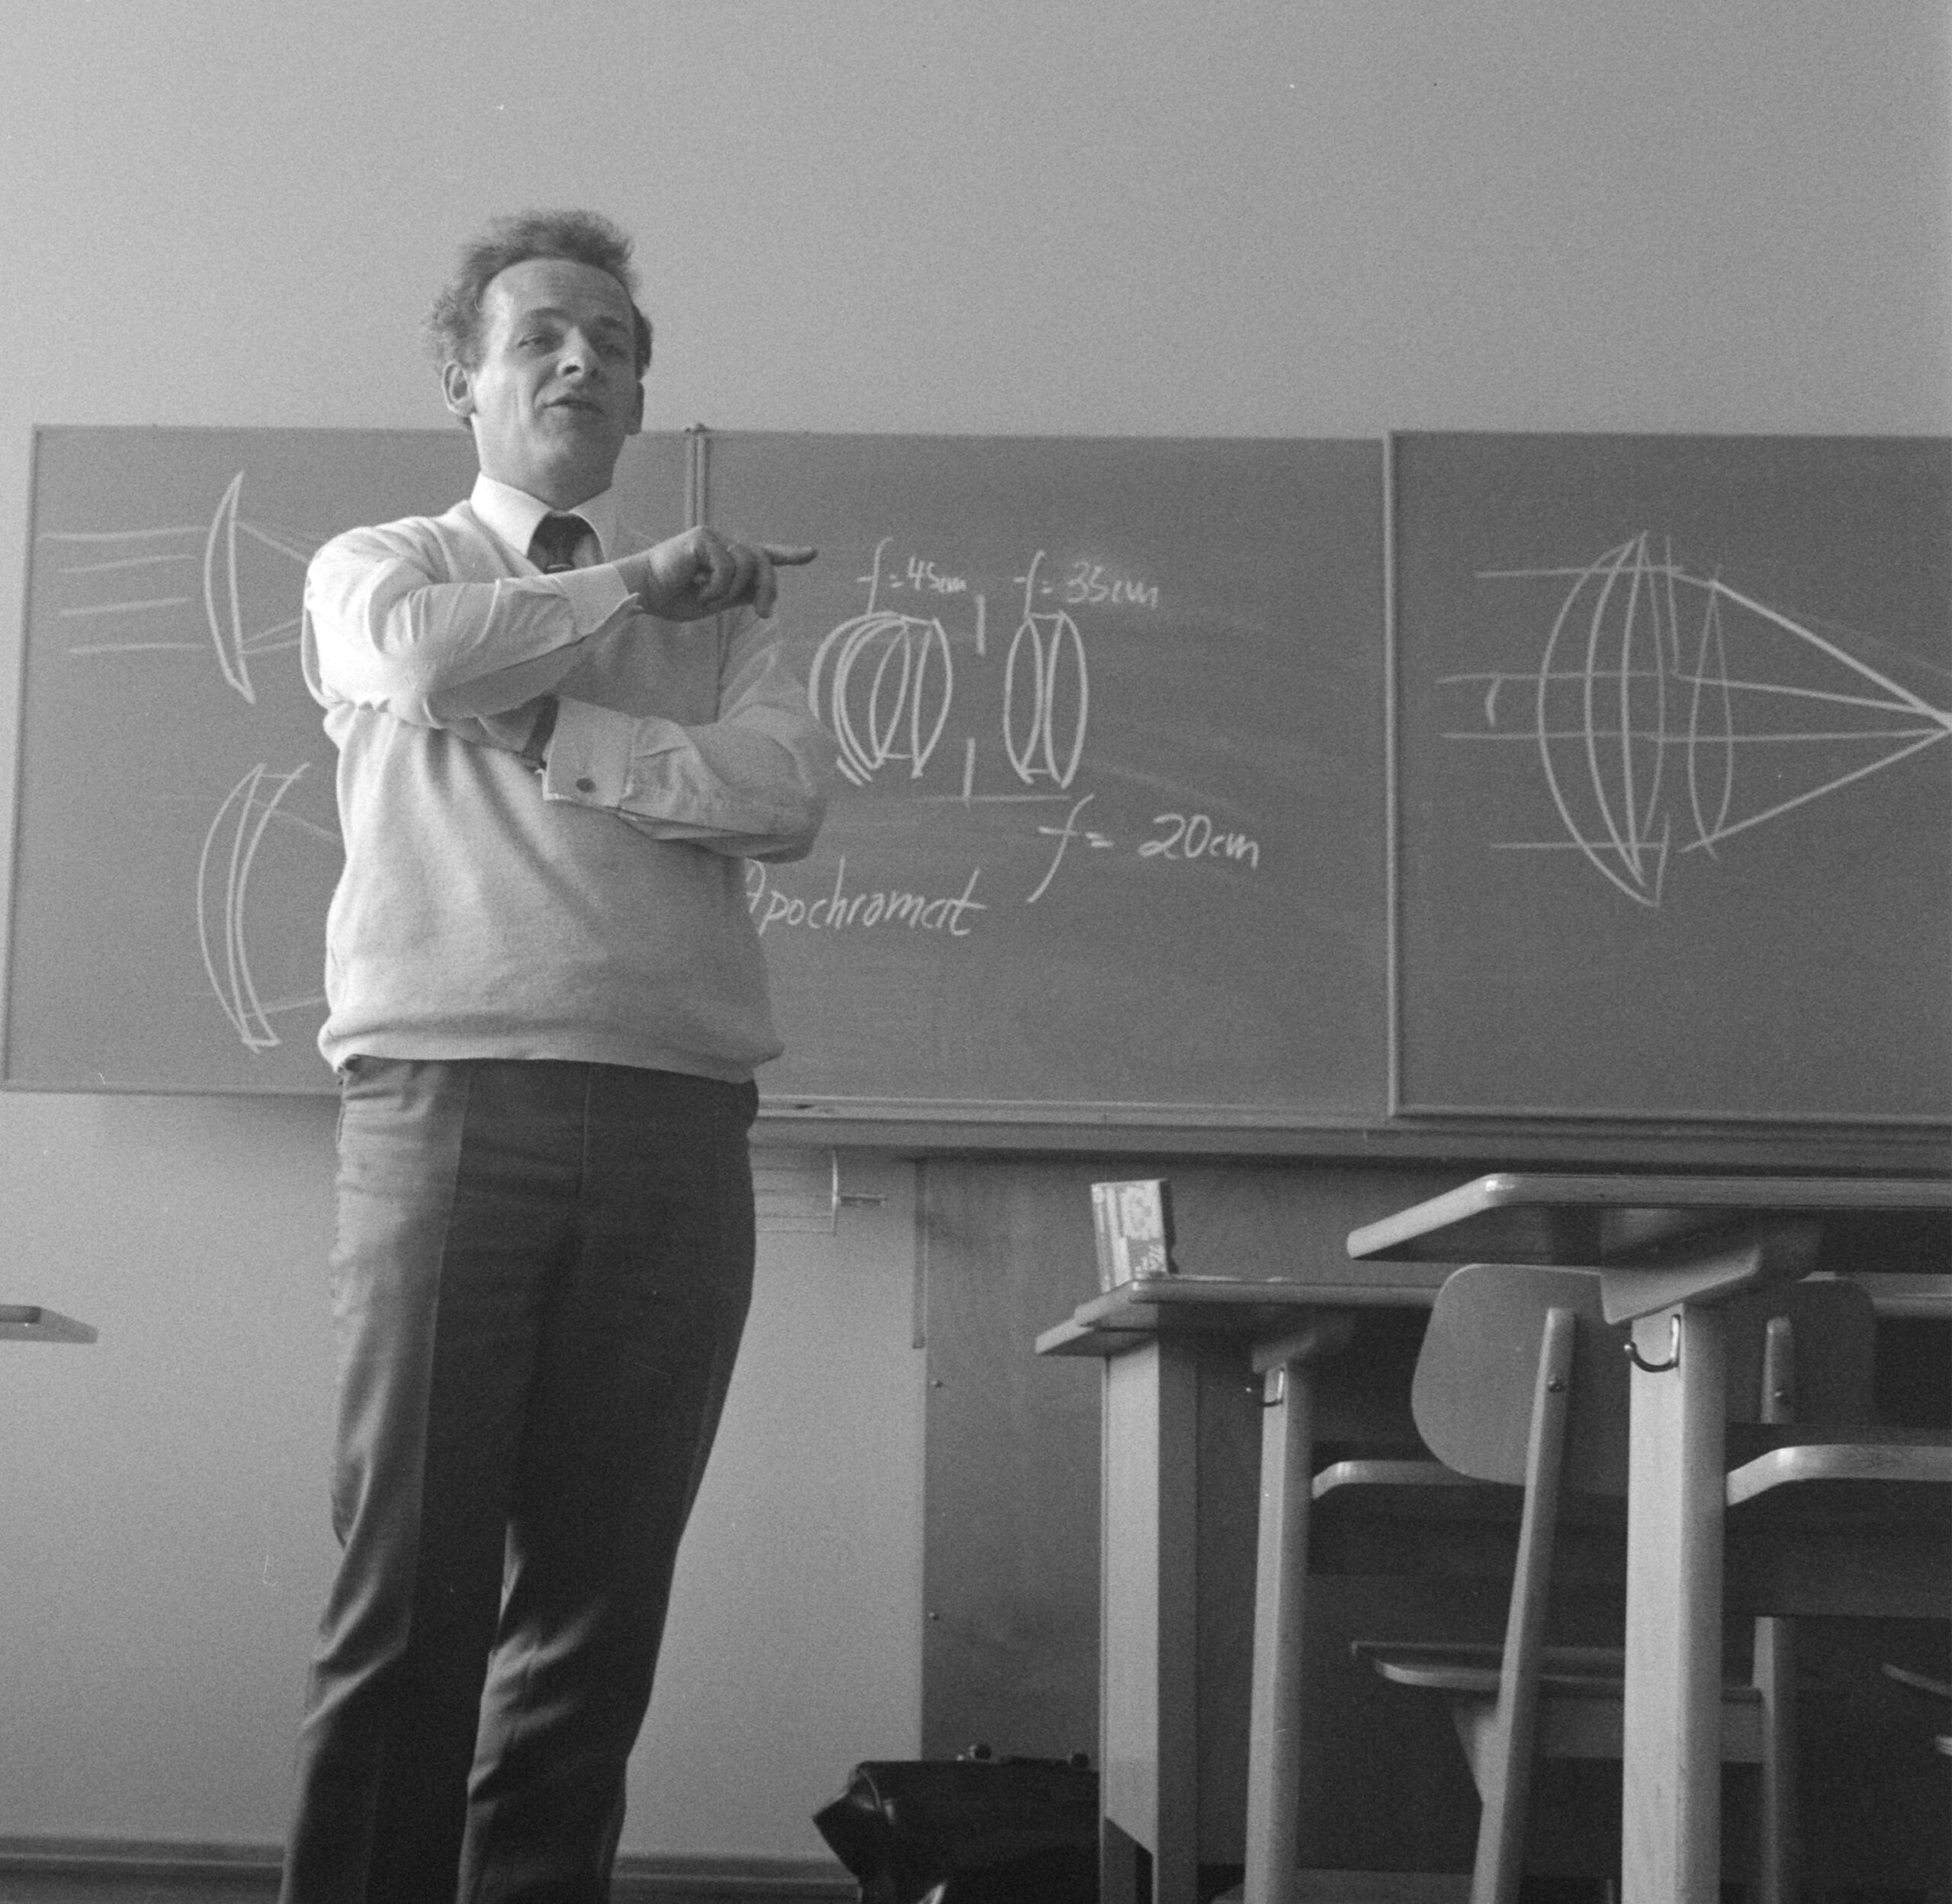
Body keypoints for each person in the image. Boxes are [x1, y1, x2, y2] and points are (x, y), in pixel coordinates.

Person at [280, 209, 836, 1904]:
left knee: (597, 1617)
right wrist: (626, 587)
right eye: (539, 335)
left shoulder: (726, 622)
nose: (581, 360)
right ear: (463, 378)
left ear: (641, 394)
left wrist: (556, 729)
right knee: (408, 1600)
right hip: (447, 1111)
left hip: (678, 1125)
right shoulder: (383, 561)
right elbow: (420, 659)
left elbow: (779, 797)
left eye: (611, 341)